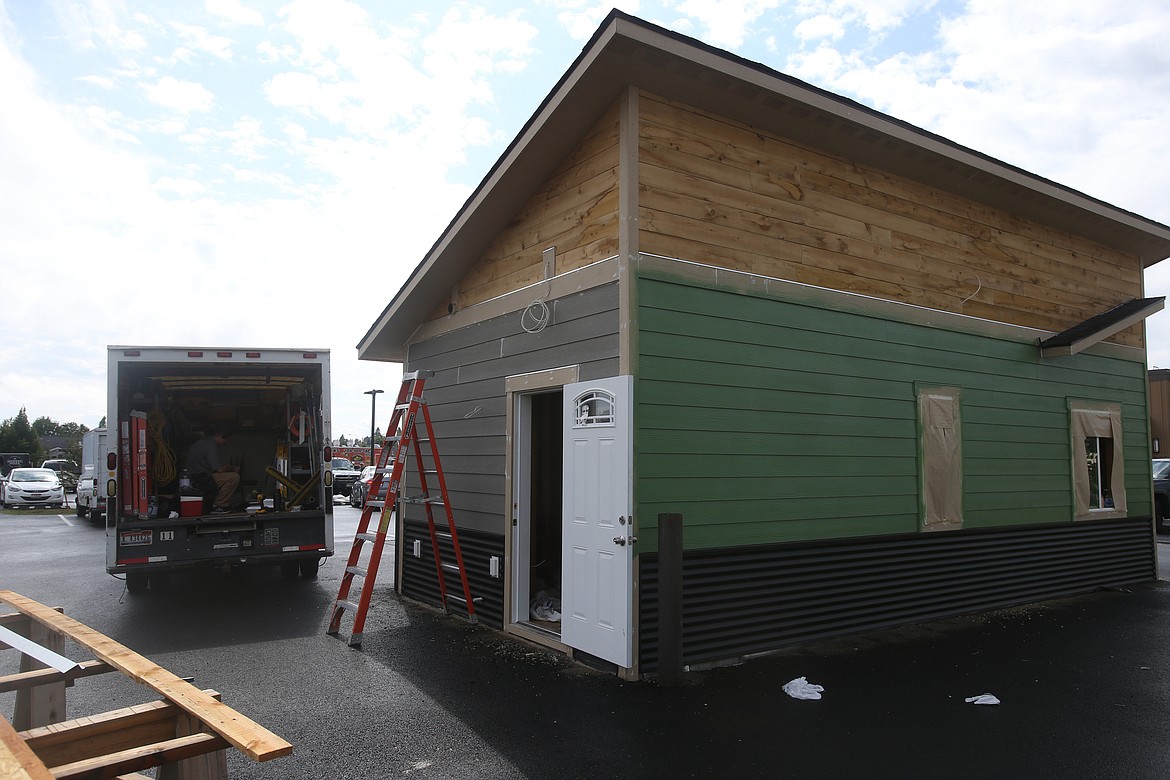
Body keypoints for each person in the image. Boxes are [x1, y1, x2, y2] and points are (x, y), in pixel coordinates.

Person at [186, 430, 240, 513]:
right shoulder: (210, 445)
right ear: (218, 435)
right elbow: (219, 469)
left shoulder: (204, 443)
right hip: (199, 479)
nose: (224, 442)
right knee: (233, 477)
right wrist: (233, 468)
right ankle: (219, 505)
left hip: (197, 477)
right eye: (224, 439)